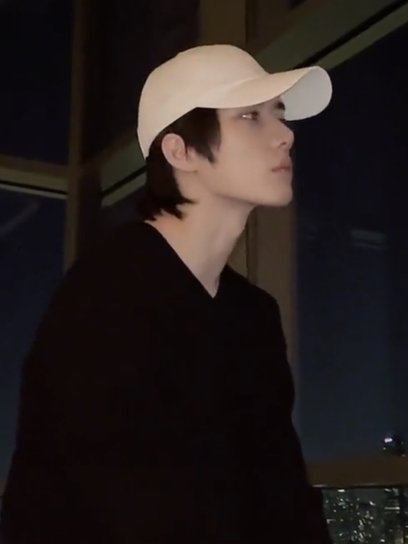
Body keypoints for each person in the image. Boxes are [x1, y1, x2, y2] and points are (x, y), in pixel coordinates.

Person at [0, 44, 333, 543]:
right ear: (180, 151)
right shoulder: (106, 296)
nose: (285, 134)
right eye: (250, 116)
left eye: (279, 114)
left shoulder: (252, 315)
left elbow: (283, 489)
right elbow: (99, 502)